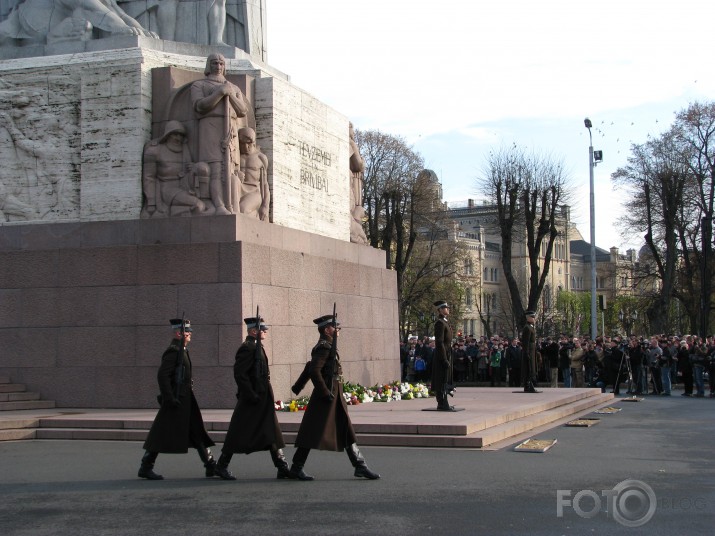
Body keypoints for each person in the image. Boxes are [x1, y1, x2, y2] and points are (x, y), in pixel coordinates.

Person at [289, 314, 380, 481]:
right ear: (326, 329)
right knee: (312, 431)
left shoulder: (328, 345)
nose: (338, 329)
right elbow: (314, 371)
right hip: (326, 395)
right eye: (334, 326)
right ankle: (296, 467)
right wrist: (324, 392)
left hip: (333, 394)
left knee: (344, 428)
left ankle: (360, 466)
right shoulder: (324, 347)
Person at [138, 319, 217, 480]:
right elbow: (163, 376)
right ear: (179, 333)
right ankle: (146, 466)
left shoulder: (182, 349)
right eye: (187, 332)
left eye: (190, 331)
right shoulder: (174, 351)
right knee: (161, 433)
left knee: (196, 430)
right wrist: (169, 398)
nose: (190, 334)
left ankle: (210, 465)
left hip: (185, 398)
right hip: (176, 399)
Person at [214, 316, 289, 480]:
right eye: (263, 329)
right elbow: (240, 374)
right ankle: (221, 466)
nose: (266, 331)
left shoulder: (257, 346)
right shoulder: (247, 348)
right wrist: (251, 394)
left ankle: (282, 466)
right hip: (252, 398)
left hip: (262, 397)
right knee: (238, 431)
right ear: (254, 331)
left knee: (271, 429)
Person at [191, 53, 249, 215]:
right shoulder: (199, 85)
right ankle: (219, 206)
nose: (218, 66)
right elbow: (200, 106)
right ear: (209, 66)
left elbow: (242, 111)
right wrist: (219, 93)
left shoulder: (233, 88)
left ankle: (232, 205)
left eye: (221, 64)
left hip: (230, 130)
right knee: (215, 169)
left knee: (230, 171)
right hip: (210, 128)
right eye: (215, 63)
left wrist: (229, 93)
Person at [141, 120, 208, 218]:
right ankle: (170, 212)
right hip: (167, 189)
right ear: (168, 135)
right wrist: (151, 202)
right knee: (199, 205)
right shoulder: (154, 151)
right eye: (175, 134)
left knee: (202, 167)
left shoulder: (185, 150)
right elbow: (149, 178)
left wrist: (193, 167)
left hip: (185, 187)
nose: (178, 138)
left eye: (181, 135)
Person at [237, 127, 270, 220]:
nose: (245, 146)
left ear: (253, 142)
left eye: (248, 143)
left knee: (242, 209)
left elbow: (264, 184)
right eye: (242, 143)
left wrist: (265, 206)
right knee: (234, 209)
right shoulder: (236, 156)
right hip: (239, 190)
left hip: (254, 192)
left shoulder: (260, 158)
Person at [432, 300, 455, 410]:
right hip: (442, 355)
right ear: (440, 310)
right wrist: (444, 358)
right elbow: (439, 342)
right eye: (446, 307)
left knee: (445, 379)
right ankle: (441, 403)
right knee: (441, 379)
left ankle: (444, 402)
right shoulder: (440, 323)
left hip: (447, 353)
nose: (448, 309)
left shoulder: (445, 322)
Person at [520, 311, 539, 393]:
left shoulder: (531, 327)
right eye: (533, 317)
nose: (534, 319)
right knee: (529, 367)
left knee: (532, 367)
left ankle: (530, 384)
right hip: (529, 350)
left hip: (532, 350)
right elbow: (526, 342)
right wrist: (526, 352)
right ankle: (528, 385)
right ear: (528, 318)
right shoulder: (527, 328)